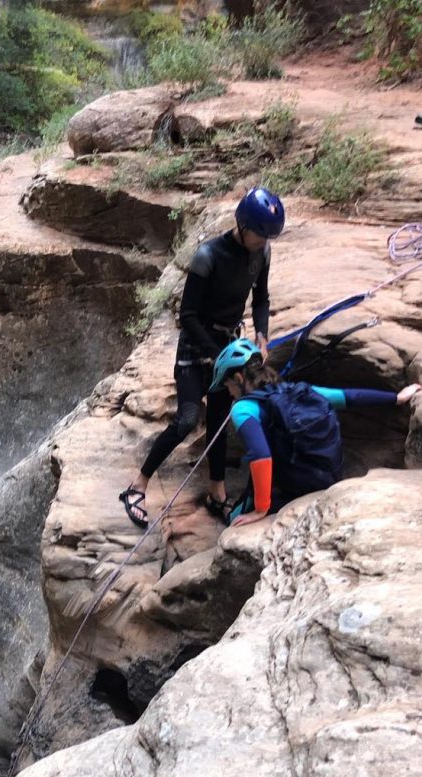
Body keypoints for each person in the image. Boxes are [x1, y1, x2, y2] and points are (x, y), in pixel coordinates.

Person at [119, 186, 285, 529]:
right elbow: (188, 315)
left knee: (220, 421)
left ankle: (217, 492)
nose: (264, 241)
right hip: (198, 346)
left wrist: (261, 334)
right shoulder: (208, 256)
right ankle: (137, 486)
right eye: (261, 234)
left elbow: (261, 299)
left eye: (268, 236)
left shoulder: (262, 254)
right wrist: (217, 353)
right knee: (186, 419)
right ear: (243, 225)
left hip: (229, 344)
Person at [209, 338, 422, 527]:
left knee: (234, 518)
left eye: (228, 385)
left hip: (289, 489)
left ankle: (224, 510)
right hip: (327, 479)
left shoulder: (243, 409)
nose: (229, 393)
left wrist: (260, 509)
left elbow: (261, 455)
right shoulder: (298, 390)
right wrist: (396, 398)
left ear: (238, 378)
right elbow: (348, 397)